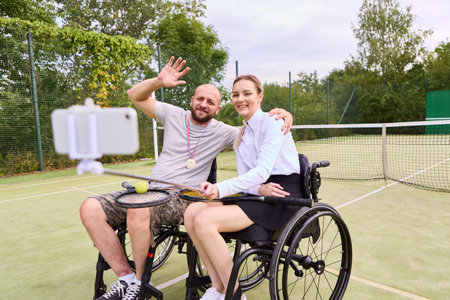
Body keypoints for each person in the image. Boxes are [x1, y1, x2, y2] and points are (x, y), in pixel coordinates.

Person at [79, 57, 293, 300]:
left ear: (218, 108)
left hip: (181, 198)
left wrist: (284, 114)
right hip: (150, 190)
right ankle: (126, 278)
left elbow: (257, 129)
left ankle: (139, 286)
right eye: (200, 99)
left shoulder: (227, 132)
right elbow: (135, 95)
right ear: (191, 100)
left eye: (211, 102)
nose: (203, 104)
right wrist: (158, 82)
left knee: (138, 210)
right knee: (90, 208)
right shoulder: (172, 115)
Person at [184, 74, 302, 300]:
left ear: (260, 96)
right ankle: (219, 289)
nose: (240, 99)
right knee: (191, 212)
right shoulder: (243, 133)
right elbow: (249, 178)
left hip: (282, 194)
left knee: (204, 220)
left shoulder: (274, 123)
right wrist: (257, 189)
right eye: (236, 94)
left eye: (247, 93)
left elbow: (263, 170)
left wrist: (220, 188)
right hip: (258, 192)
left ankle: (235, 295)